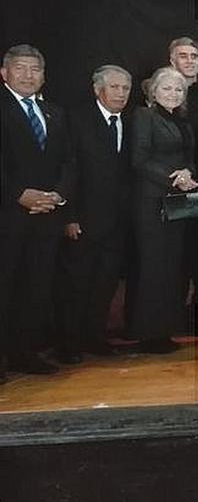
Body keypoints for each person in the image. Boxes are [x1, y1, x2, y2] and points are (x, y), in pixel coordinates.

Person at [0, 44, 72, 379]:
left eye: (35, 70)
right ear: (5, 73)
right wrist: (18, 194)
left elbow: (70, 161)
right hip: (8, 216)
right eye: (21, 68)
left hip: (46, 216)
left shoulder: (55, 112)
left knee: (36, 288)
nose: (29, 75)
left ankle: (24, 353)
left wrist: (58, 194)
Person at [59, 64, 133, 361]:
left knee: (104, 283)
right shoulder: (76, 119)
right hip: (83, 220)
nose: (120, 93)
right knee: (76, 283)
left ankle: (95, 337)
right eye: (114, 87)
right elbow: (68, 168)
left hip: (117, 223)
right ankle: (68, 343)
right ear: (96, 89)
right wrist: (69, 215)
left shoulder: (129, 120)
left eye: (125, 88)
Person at [130, 66, 198, 353]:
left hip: (179, 202)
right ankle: (149, 334)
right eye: (167, 88)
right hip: (152, 202)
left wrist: (188, 172)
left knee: (172, 266)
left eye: (179, 89)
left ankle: (165, 329)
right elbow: (139, 159)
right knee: (153, 267)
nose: (173, 93)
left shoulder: (183, 121)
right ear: (153, 91)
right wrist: (175, 177)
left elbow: (191, 158)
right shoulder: (144, 116)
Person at [168, 37, 198, 137]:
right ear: (173, 62)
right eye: (183, 56)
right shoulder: (163, 94)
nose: (189, 61)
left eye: (194, 56)